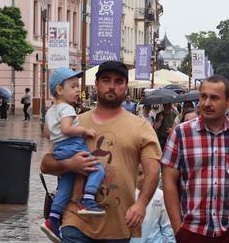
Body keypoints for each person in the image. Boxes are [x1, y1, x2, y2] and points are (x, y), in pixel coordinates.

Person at [40, 61, 162, 243]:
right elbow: (46, 164)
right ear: (96, 84)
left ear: (126, 87)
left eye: (119, 81)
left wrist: (141, 204)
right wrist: (68, 164)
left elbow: (153, 170)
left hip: (119, 225)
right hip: (75, 222)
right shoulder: (74, 121)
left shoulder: (141, 127)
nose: (112, 86)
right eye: (106, 80)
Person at [162, 75, 229, 243]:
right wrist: (178, 228)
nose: (206, 103)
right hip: (192, 231)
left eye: (214, 98)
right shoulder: (180, 134)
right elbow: (169, 181)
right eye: (203, 97)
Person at [40, 67, 107, 242]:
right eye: (73, 86)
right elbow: (67, 129)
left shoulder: (51, 111)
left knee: (66, 185)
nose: (78, 90)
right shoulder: (67, 109)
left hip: (60, 148)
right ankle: (88, 199)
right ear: (59, 90)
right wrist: (85, 131)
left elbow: (47, 133)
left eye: (78, 86)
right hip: (73, 145)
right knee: (97, 169)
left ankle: (53, 218)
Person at [129, 164, 175, 243]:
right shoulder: (128, 194)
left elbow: (167, 226)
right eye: (139, 173)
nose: (143, 177)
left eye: (146, 174)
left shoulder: (160, 195)